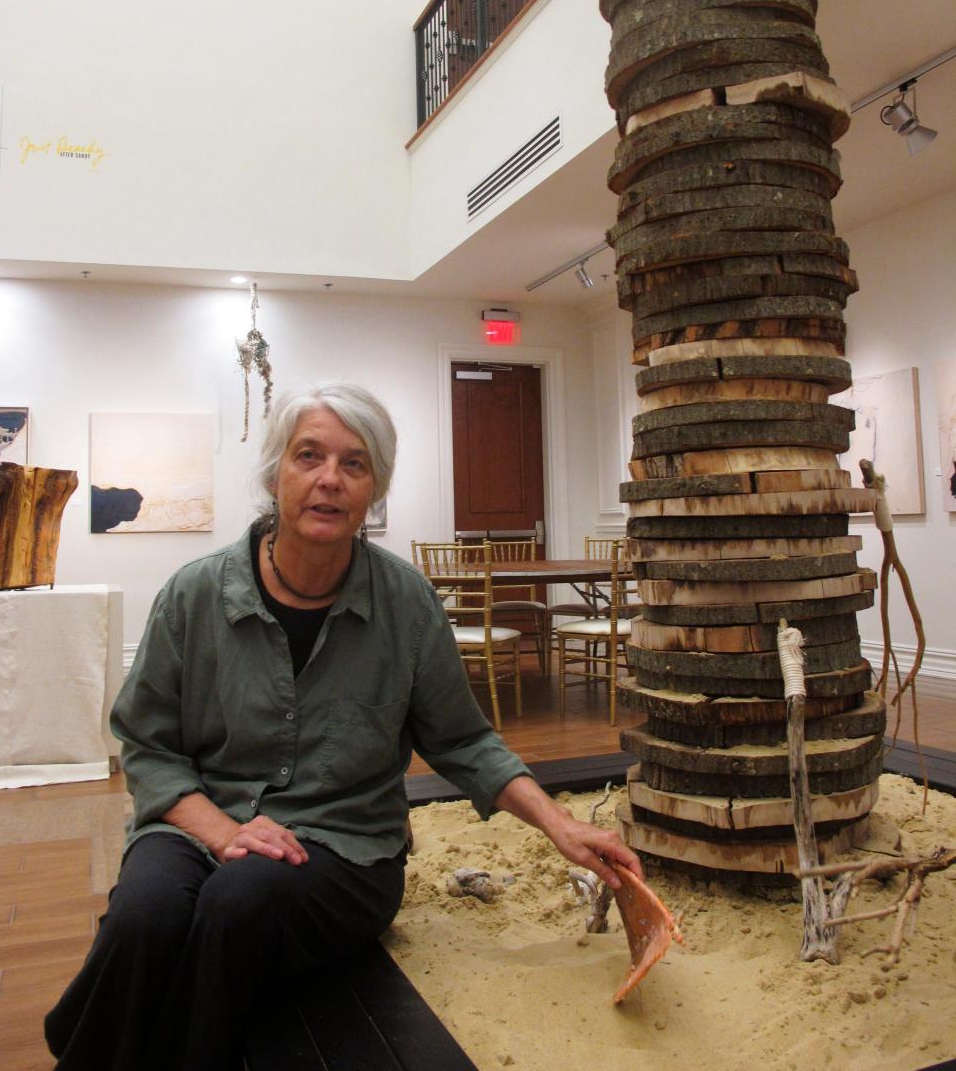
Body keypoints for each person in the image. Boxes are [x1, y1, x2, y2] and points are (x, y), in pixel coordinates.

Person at [45, 381, 642, 1070]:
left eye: (354, 464)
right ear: (276, 474)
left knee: (238, 905)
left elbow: (464, 740)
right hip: (197, 821)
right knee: (144, 918)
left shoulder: (407, 602)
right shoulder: (195, 595)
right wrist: (225, 831)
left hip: (344, 848)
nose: (329, 480)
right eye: (309, 456)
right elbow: (147, 746)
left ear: (373, 487)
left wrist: (560, 825)